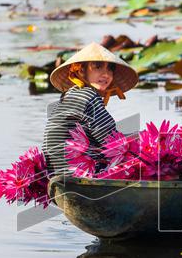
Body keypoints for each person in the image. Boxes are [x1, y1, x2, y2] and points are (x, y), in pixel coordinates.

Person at [43, 42, 139, 175]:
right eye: (98, 67)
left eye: (110, 68)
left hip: (56, 172)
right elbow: (111, 140)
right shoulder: (90, 96)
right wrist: (144, 143)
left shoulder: (67, 96)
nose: (106, 74)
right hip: (82, 173)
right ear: (82, 71)